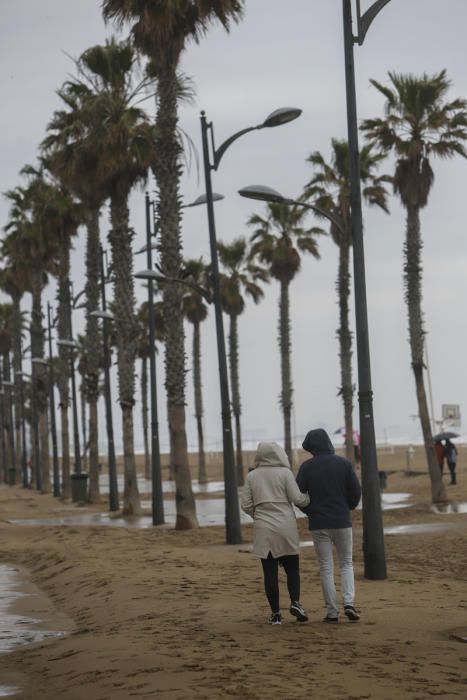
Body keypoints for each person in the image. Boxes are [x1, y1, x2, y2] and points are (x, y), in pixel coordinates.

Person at [296, 428, 361, 624]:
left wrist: (311, 511)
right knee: (346, 562)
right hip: (341, 520)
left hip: (318, 523)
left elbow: (298, 497)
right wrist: (347, 507)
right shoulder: (344, 464)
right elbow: (356, 492)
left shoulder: (307, 468)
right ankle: (349, 602)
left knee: (326, 568)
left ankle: (332, 612)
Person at [241, 441, 310, 626]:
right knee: (292, 568)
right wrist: (308, 498)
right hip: (285, 525)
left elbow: (245, 505)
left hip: (264, 528)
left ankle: (275, 614)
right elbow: (297, 499)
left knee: (269, 573)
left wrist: (259, 515)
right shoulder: (285, 473)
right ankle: (295, 602)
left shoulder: (252, 476)